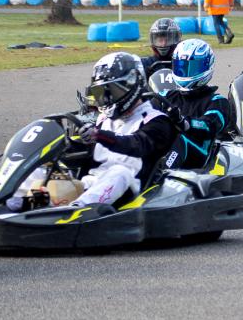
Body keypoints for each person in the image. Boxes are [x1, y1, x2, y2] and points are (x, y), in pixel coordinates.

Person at [71, 53, 177, 206]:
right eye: (103, 92)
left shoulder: (157, 121)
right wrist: (66, 146)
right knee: (46, 170)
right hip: (92, 183)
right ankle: (35, 204)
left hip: (130, 192)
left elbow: (136, 144)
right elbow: (88, 155)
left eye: (112, 91)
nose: (108, 98)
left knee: (119, 172)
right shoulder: (103, 120)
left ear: (132, 84)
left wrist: (99, 135)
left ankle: (76, 211)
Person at [160, 39, 233, 170]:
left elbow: (209, 126)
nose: (185, 72)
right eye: (181, 67)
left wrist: (184, 122)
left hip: (200, 157)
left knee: (181, 140)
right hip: (168, 150)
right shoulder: (166, 96)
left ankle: (161, 174)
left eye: (192, 68)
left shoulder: (217, 101)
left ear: (207, 66)